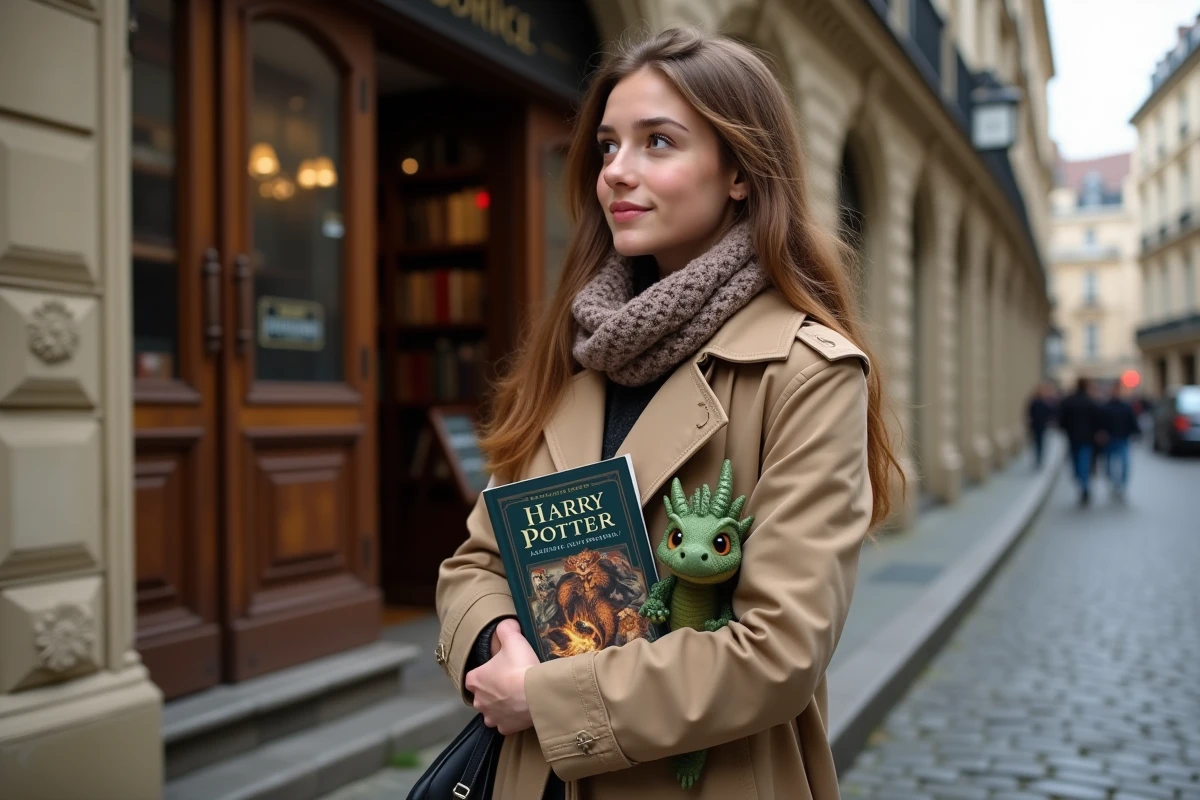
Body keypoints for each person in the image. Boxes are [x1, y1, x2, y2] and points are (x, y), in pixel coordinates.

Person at [433, 29, 904, 800]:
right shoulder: (575, 350)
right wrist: (499, 641)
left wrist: (546, 698)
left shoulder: (806, 371)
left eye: (659, 143)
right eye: (610, 146)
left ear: (741, 174)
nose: (617, 170)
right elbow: (477, 563)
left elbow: (778, 652)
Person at [1057, 377, 1103, 505]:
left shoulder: (1068, 402)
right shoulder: (1091, 402)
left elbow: (1061, 420)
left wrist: (1065, 430)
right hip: (1087, 438)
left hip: (1073, 437)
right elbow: (1098, 420)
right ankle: (1084, 485)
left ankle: (1082, 483)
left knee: (1076, 461)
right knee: (1084, 461)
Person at [1099, 385, 1139, 500]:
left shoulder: (1126, 407)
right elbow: (1100, 422)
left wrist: (1135, 433)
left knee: (1124, 463)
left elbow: (1132, 421)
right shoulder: (1105, 407)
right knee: (1109, 464)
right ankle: (1113, 483)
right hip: (1109, 439)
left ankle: (1121, 485)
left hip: (1122, 438)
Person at [1026, 382, 1056, 469]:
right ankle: (1038, 459)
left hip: (1041, 425)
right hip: (1037, 425)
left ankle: (1039, 459)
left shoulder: (1042, 401)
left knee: (1040, 443)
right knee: (1038, 443)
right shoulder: (1036, 401)